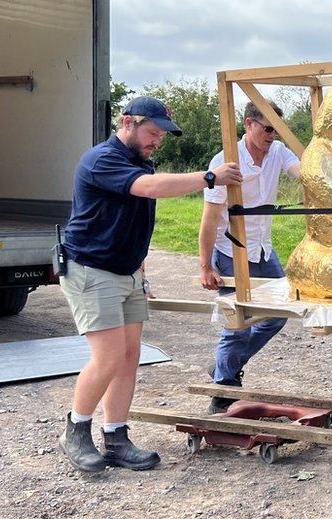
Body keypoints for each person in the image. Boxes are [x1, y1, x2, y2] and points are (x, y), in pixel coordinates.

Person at [58, 96, 243, 472]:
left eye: (161, 135)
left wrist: (139, 273)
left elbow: (132, 222)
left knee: (129, 358)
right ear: (127, 122)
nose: (157, 140)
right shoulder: (103, 160)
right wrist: (209, 177)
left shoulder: (140, 161)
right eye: (152, 132)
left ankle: (116, 438)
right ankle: (75, 431)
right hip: (92, 270)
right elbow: (149, 188)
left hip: (125, 273)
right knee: (108, 357)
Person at [199, 100, 300, 414]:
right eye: (267, 128)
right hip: (231, 250)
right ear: (249, 124)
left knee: (279, 313)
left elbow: (301, 172)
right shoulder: (227, 162)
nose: (271, 136)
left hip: (262, 248)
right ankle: (223, 391)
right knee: (238, 322)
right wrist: (205, 265)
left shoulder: (279, 151)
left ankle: (223, 367)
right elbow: (209, 219)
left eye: (276, 130)